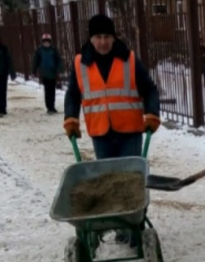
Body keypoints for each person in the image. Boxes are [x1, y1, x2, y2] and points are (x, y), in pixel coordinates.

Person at [63, 14, 161, 247]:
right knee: (107, 182)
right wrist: (71, 119)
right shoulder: (80, 63)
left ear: (114, 37)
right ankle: (118, 225)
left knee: (132, 180)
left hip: (130, 130)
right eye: (98, 37)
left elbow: (149, 89)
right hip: (101, 132)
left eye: (107, 36)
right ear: (91, 39)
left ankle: (133, 226)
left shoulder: (128, 59)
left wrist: (152, 114)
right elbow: (73, 94)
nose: (103, 42)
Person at [31, 33, 63, 114]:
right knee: (47, 90)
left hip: (53, 73)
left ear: (50, 42)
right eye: (45, 42)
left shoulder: (54, 50)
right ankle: (49, 107)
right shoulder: (39, 51)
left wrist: (58, 69)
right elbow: (36, 61)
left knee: (52, 91)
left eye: (47, 42)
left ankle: (52, 106)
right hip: (44, 74)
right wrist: (34, 70)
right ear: (42, 42)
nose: (46, 43)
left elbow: (59, 60)